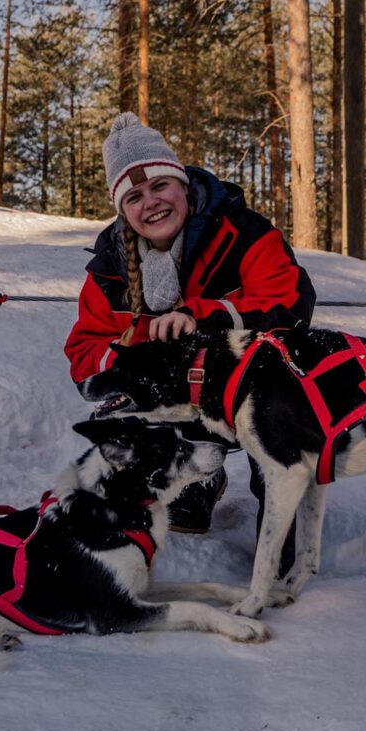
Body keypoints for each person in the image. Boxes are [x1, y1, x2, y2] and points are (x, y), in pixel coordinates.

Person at [64, 111, 315, 542]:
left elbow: (288, 304)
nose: (151, 203)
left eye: (160, 185)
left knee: (274, 419)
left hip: (247, 383)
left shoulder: (245, 233)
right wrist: (144, 348)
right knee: (123, 409)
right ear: (123, 209)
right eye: (135, 196)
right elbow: (85, 355)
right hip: (175, 396)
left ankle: (283, 547)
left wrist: (201, 317)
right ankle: (188, 486)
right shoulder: (108, 270)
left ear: (182, 184)